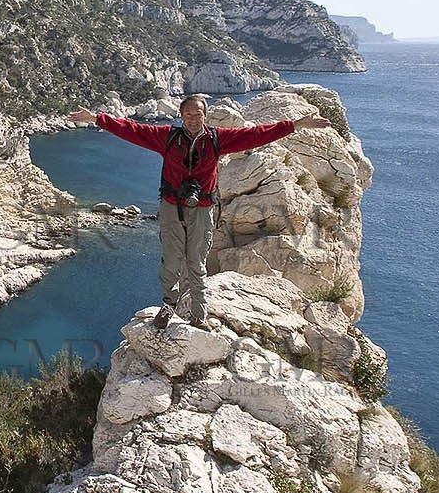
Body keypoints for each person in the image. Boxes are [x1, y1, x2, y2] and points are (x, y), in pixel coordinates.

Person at [65, 95, 331, 329]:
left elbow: (257, 134)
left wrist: (295, 125)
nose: (194, 119)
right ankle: (168, 305)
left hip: (202, 209)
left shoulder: (217, 139)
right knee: (171, 261)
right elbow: (132, 129)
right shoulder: (167, 138)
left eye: (198, 114)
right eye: (189, 114)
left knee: (196, 262)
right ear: (181, 116)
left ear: (206, 115)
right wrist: (97, 118)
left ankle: (199, 315)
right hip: (171, 207)